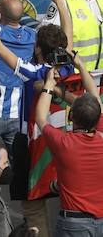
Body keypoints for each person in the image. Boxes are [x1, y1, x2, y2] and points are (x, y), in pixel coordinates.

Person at [33, 62, 103, 234]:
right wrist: (80, 64)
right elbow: (95, 97)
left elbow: (41, 118)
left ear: (71, 117)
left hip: (74, 224)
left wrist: (49, 84)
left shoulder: (64, 143)